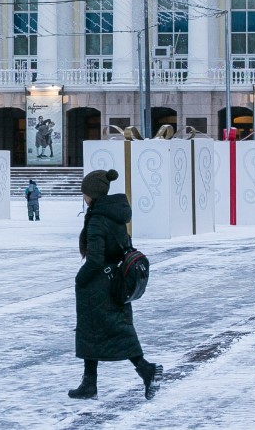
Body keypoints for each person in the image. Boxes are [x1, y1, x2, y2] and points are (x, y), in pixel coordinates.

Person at [69, 169, 162, 401]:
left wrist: (80, 279)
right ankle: (89, 383)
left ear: (92, 195)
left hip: (99, 284)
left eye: (85, 193)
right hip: (114, 280)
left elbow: (95, 259)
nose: (84, 197)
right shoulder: (114, 215)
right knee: (103, 330)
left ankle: (145, 369)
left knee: (111, 331)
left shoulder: (98, 220)